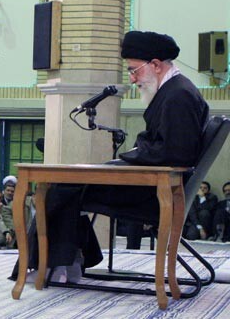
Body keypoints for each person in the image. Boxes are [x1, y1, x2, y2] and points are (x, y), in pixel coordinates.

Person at [31, 31, 210, 281]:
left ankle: (54, 265)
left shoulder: (178, 96)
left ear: (156, 65)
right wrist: (130, 157)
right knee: (66, 186)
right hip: (155, 185)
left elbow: (176, 154)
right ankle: (68, 261)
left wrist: (130, 157)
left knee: (59, 189)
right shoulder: (174, 90)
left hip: (154, 191)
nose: (132, 79)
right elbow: (162, 146)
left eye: (134, 70)